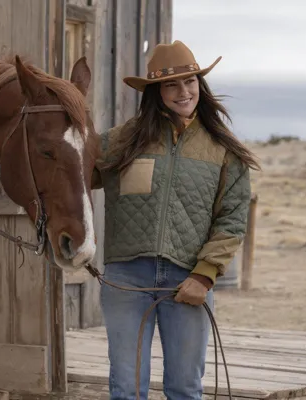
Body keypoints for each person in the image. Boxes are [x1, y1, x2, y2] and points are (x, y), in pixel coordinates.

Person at [90, 40, 261, 399]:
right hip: (127, 277)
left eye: (190, 81)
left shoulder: (222, 149)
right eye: (171, 84)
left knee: (184, 388)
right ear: (156, 91)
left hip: (188, 278)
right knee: (126, 388)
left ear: (200, 84)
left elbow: (232, 219)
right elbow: (70, 175)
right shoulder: (122, 140)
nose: (184, 92)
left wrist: (204, 275)